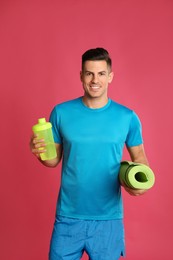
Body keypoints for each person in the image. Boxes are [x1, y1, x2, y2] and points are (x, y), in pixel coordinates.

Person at [30, 48, 149, 260]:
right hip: (68, 217)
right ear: (81, 76)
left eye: (101, 73)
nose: (95, 80)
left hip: (108, 220)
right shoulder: (61, 112)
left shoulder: (127, 117)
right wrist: (38, 151)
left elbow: (140, 157)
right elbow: (53, 160)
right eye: (89, 73)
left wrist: (139, 183)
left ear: (110, 76)